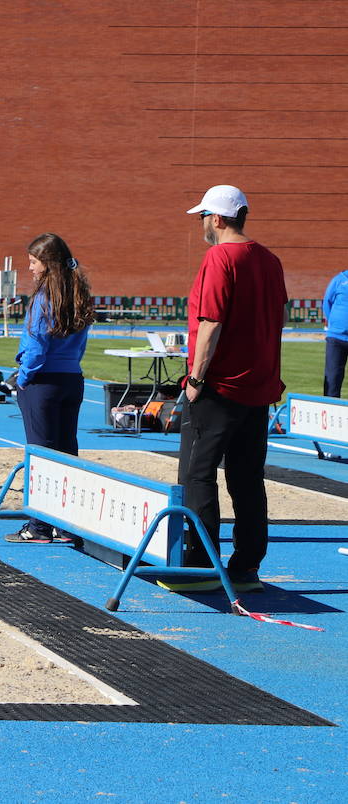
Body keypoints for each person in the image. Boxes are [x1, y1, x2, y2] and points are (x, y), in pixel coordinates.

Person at [161, 185, 287, 594]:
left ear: (217, 218)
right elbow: (275, 321)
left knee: (197, 475)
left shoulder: (220, 257)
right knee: (248, 479)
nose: (200, 223)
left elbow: (211, 322)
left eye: (202, 216)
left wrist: (195, 379)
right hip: (257, 389)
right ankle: (246, 567)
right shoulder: (269, 260)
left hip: (220, 387)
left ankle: (200, 565)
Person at [4, 234, 95, 544]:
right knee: (67, 452)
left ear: (47, 263)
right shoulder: (79, 292)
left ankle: (39, 526)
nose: (29, 268)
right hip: (72, 379)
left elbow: (36, 346)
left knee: (40, 456)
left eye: (32, 262)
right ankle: (67, 526)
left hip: (43, 382)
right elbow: (80, 343)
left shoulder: (44, 296)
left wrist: (23, 377)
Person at [324, 267, 348, 397]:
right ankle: (329, 411)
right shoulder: (339, 280)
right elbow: (327, 303)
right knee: (332, 380)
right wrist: (335, 324)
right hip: (336, 339)